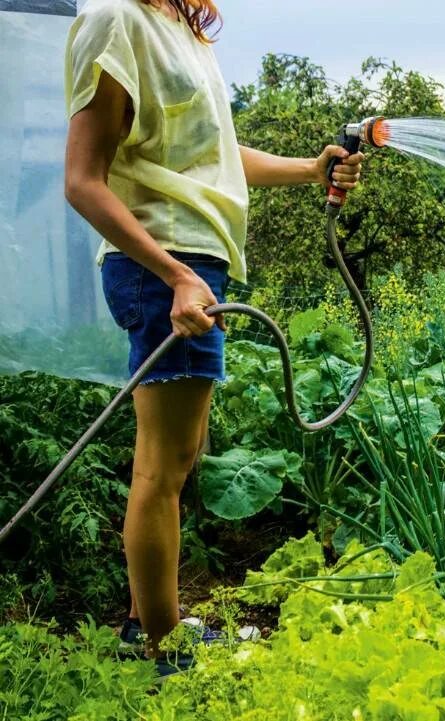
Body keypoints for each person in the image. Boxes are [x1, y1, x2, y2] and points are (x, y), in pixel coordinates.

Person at [63, 0, 363, 673]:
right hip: (163, 261)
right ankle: (167, 650)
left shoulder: (183, 30)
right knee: (162, 468)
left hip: (192, 261)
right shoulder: (116, 18)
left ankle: (146, 621)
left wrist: (309, 169)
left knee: (171, 456)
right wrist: (174, 275)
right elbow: (82, 181)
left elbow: (214, 160)